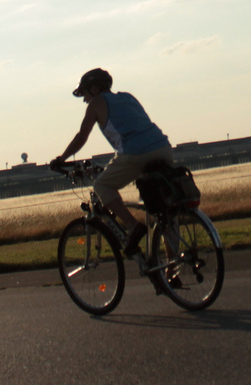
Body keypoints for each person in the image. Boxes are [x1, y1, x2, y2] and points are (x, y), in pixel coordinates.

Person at [52, 68, 174, 255]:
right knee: (162, 207)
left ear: (94, 88)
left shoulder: (96, 103)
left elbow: (82, 136)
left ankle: (133, 226)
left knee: (102, 185)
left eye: (84, 93)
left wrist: (62, 159)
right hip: (163, 148)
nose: (84, 99)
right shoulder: (128, 97)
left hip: (135, 153)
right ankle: (172, 269)